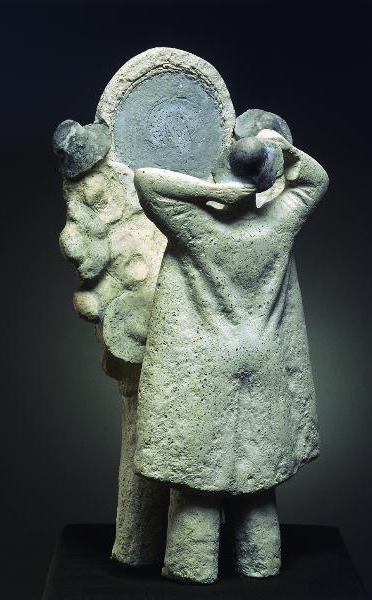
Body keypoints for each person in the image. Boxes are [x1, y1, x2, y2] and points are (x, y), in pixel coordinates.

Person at [133, 129, 329, 583]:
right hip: (264, 360)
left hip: (205, 365)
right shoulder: (278, 224)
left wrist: (216, 193)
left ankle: (192, 566)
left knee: (197, 483)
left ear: (222, 175)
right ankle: (261, 563)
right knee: (258, 482)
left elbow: (146, 181)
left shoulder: (195, 226)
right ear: (265, 181)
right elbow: (315, 180)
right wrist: (280, 150)